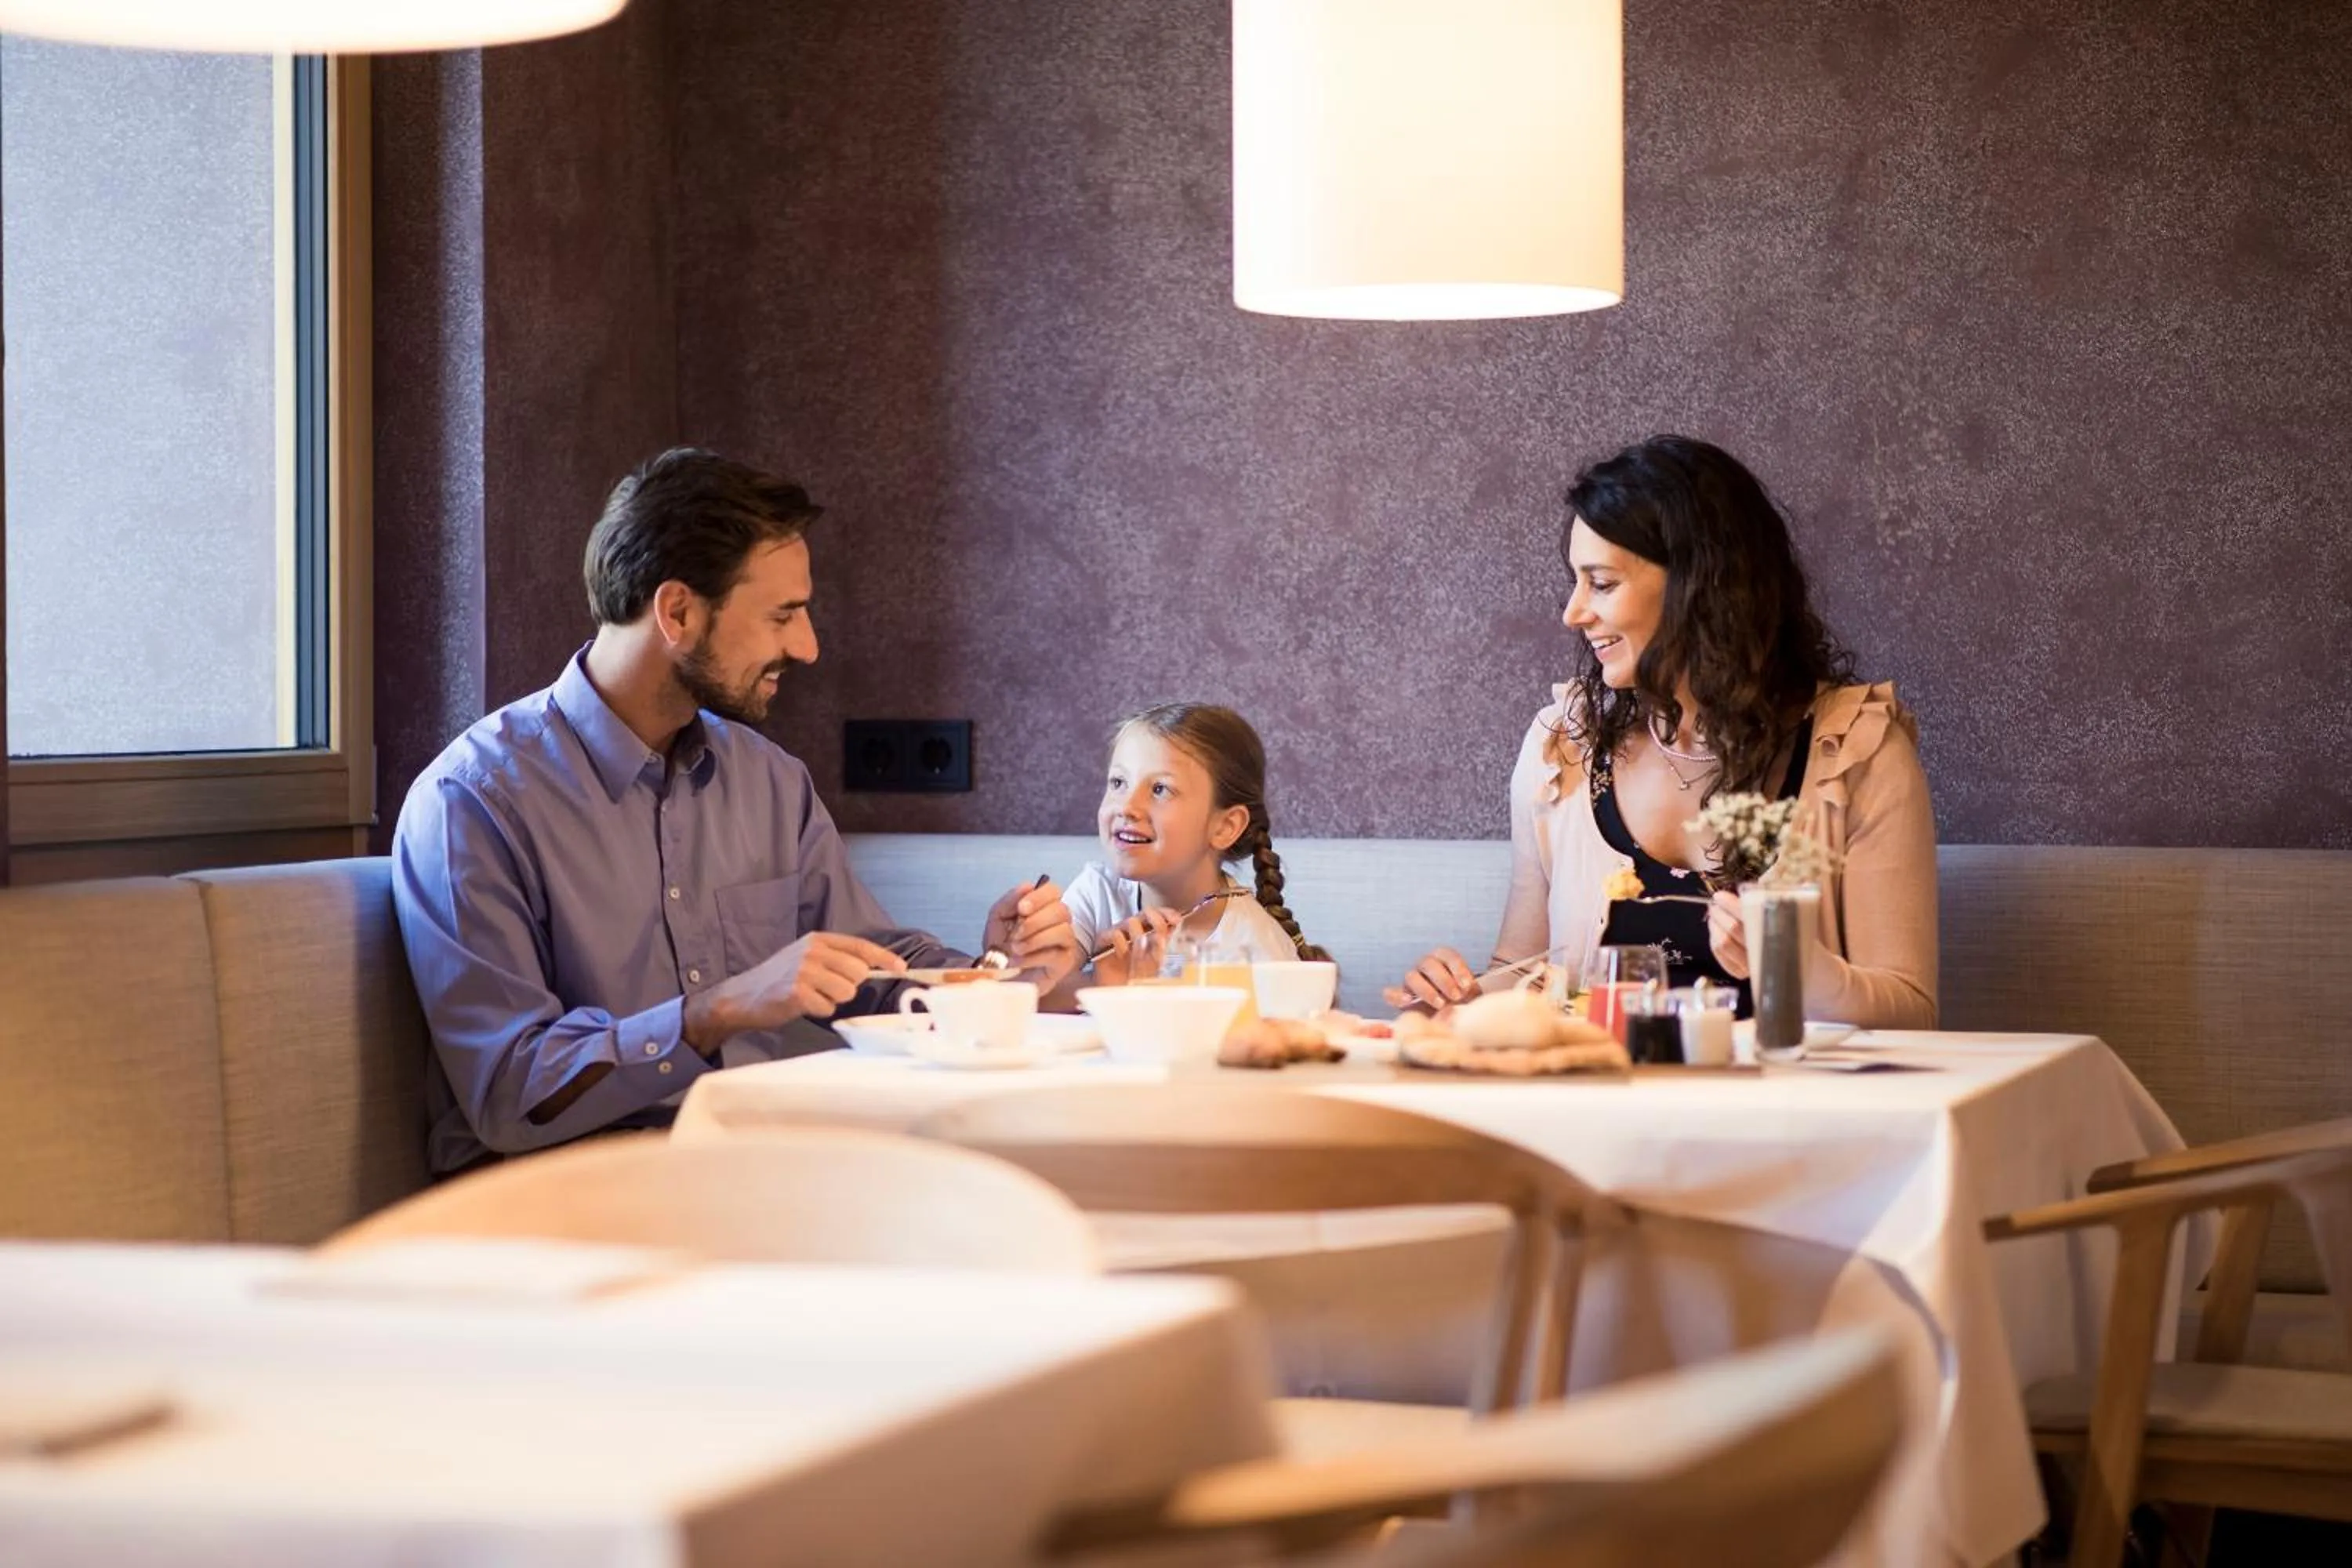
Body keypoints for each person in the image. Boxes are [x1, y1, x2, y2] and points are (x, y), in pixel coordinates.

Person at [394, 448, 1080, 1174]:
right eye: (783, 614)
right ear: (679, 612)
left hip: (746, 1173)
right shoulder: (475, 802)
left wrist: (998, 970)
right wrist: (719, 1011)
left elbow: (868, 966)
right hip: (563, 1199)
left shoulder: (768, 782)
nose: (808, 647)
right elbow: (509, 1090)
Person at [1388, 435, 1937, 1029]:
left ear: (1699, 586)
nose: (1573, 612)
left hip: (1787, 1118)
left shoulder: (1855, 752)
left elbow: (1911, 1012)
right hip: (1603, 1111)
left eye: (1601, 583)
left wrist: (1800, 968)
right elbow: (1527, 972)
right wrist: (1462, 1003)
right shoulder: (1564, 751)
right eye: (1576, 581)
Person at [1056, 703, 1328, 998]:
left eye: (1160, 789)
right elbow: (1037, 992)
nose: (1127, 807)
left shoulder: (1256, 950)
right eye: (1118, 782)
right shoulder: (1098, 893)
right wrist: (1100, 984)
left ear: (1224, 827)